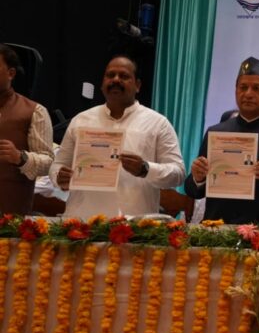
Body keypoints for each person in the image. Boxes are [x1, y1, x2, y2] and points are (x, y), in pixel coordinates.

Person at [50, 55, 185, 218]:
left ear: (138, 85)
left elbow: (178, 173)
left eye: (124, 76)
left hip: (134, 224)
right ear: (102, 84)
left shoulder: (158, 123)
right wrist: (59, 177)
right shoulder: (81, 120)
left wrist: (145, 169)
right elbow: (58, 165)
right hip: (81, 222)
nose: (115, 80)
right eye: (110, 75)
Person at [185, 57, 259, 230]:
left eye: (256, 88)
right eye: (243, 87)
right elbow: (192, 191)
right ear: (236, 91)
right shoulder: (215, 132)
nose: (248, 94)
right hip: (216, 230)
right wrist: (198, 178)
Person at [0, 43, 54, 214]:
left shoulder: (35, 111)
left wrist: (20, 157)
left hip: (10, 216)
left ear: (11, 73)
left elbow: (48, 163)